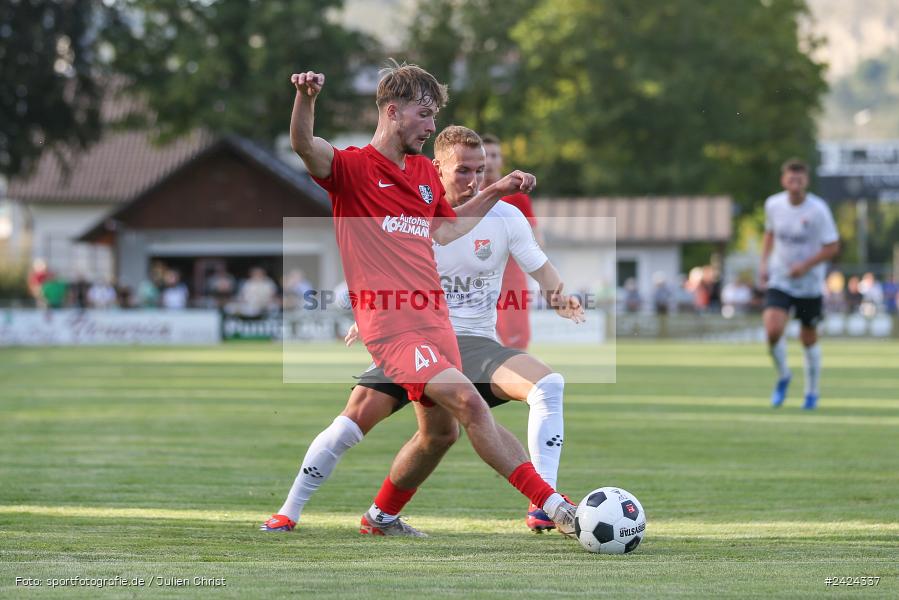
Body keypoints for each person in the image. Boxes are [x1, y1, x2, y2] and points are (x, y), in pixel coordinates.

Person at [286, 62, 577, 536]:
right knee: (468, 403)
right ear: (392, 111)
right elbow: (303, 145)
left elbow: (449, 228)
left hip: (434, 325)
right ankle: (551, 502)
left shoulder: (422, 172)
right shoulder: (353, 168)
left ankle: (378, 518)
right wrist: (307, 98)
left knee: (440, 433)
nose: (431, 125)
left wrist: (498, 190)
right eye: (424, 115)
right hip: (394, 329)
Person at [759, 159, 840, 410]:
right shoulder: (773, 204)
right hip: (781, 280)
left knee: (808, 339)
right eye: (791, 179)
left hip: (809, 285)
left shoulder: (818, 210)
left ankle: (812, 393)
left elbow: (832, 247)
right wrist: (763, 264)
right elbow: (770, 233)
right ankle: (784, 375)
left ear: (807, 181)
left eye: (800, 179)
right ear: (784, 180)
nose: (796, 183)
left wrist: (805, 266)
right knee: (772, 331)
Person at [482, 134, 540, 350]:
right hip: (474, 277)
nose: (488, 161)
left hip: (510, 277)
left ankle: (516, 382)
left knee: (516, 345)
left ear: (501, 161)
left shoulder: (516, 197)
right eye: (484, 155)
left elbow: (535, 238)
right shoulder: (465, 195)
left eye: (494, 155)